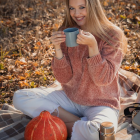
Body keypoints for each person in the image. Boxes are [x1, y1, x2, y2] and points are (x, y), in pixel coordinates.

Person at [13, 0, 127, 139]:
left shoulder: (111, 35)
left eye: (81, 7)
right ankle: (78, 123)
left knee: (99, 132)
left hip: (101, 102)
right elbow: (63, 78)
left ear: (93, 7)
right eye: (72, 8)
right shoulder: (66, 31)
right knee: (20, 97)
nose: (76, 13)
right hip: (71, 98)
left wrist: (93, 47)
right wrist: (57, 49)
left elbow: (102, 80)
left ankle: (64, 124)